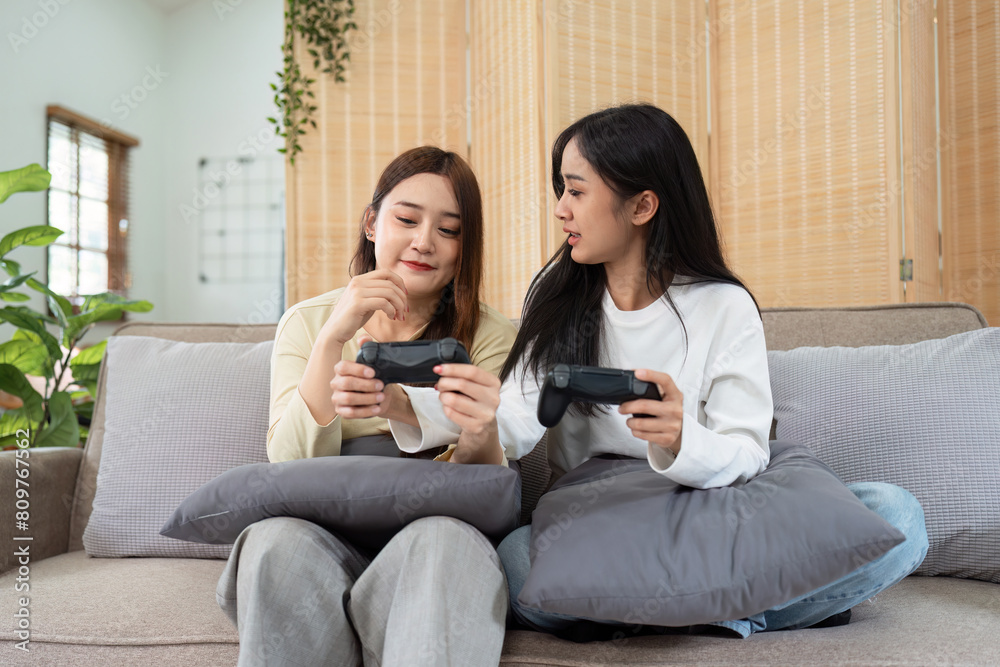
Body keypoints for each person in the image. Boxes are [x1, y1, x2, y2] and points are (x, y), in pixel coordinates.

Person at [490, 104, 928, 639]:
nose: (560, 209)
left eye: (576, 192)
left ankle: (667, 614)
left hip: (711, 508)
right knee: (517, 563)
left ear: (643, 206)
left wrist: (680, 439)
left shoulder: (723, 306)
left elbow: (746, 452)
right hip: (600, 520)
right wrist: (451, 410)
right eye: (561, 189)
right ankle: (731, 611)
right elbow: (514, 419)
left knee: (897, 516)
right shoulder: (555, 294)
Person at [217, 146, 517, 666]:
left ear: (465, 248)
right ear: (372, 223)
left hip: (435, 534)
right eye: (407, 220)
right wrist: (333, 338)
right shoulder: (308, 322)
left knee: (443, 544)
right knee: (273, 541)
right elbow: (287, 466)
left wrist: (477, 431)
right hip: (323, 538)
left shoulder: (492, 337)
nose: (424, 242)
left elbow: (485, 488)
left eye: (449, 230)